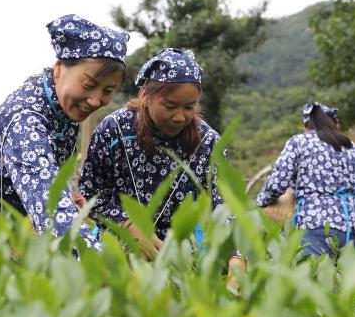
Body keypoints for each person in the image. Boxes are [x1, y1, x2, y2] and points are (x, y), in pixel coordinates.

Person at [0, 14, 129, 262]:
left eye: (108, 91)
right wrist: (103, 267)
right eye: (88, 84)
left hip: (6, 223)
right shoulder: (24, 120)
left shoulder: (61, 107)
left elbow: (50, 178)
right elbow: (50, 206)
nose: (95, 100)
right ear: (59, 68)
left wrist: (68, 193)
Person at [78, 48, 245, 271]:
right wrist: (126, 224)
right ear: (146, 96)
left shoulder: (207, 142)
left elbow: (224, 205)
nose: (179, 116)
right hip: (118, 246)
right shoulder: (115, 130)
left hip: (182, 256)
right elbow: (92, 192)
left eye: (189, 107)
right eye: (170, 106)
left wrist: (236, 258)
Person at [256, 102, 355, 257]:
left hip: (315, 224)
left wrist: (261, 203)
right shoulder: (352, 147)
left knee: (315, 278)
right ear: (336, 125)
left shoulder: (299, 142)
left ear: (306, 126)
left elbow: (277, 184)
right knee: (353, 280)